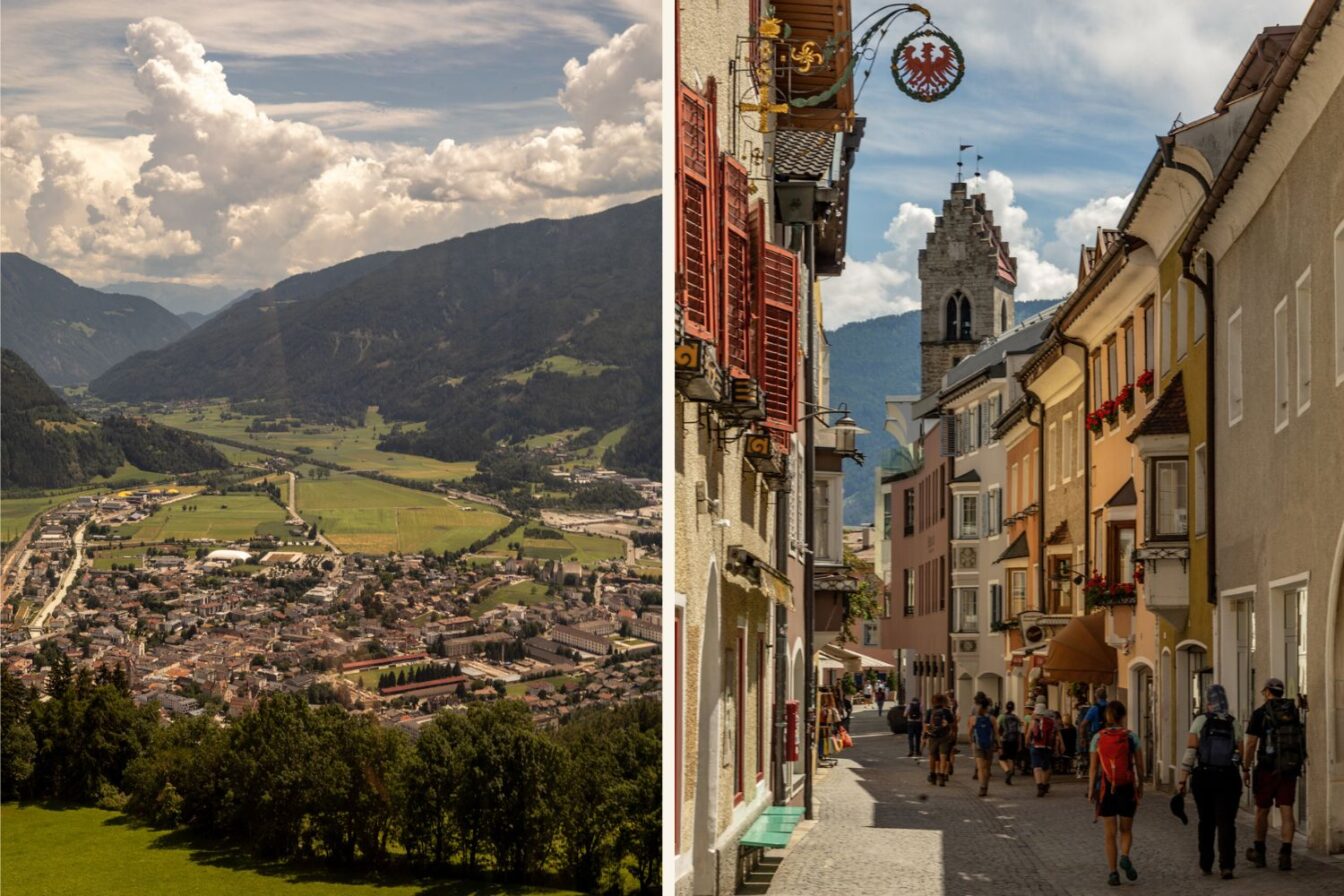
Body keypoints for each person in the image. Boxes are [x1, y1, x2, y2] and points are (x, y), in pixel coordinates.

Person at [1177, 683, 1243, 879]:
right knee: (1227, 823)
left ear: (1209, 702)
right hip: (1228, 778)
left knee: (1206, 821)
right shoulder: (1234, 722)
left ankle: (1206, 863)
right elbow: (1240, 754)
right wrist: (1243, 770)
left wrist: (1182, 779)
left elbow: (1190, 752)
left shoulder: (1200, 721)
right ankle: (1227, 866)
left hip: (1204, 777)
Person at [1242, 677, 1307, 871]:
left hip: (1267, 768)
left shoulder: (1260, 713)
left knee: (1262, 809)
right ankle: (1285, 855)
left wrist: (1245, 768)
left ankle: (1260, 852)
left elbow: (1252, 744)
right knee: (1287, 810)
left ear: (1267, 692)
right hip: (1289, 767)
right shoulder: (1292, 712)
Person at [1088, 700, 1143, 887]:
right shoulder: (1131, 737)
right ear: (1123, 716)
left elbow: (1093, 768)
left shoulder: (1098, 738)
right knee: (1126, 830)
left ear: (1107, 716)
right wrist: (1140, 785)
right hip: (1126, 787)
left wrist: (1090, 791)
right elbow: (1140, 767)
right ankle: (1125, 856)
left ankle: (1113, 874)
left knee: (1109, 834)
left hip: (1107, 788)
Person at [1028, 701, 1064, 797]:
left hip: (1035, 746)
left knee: (1036, 767)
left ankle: (1039, 786)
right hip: (1047, 746)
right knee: (1046, 767)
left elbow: (1028, 735)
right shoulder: (1052, 722)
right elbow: (1057, 732)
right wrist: (1061, 744)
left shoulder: (1033, 721)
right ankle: (1044, 784)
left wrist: (1026, 743)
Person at [924, 693, 956, 786]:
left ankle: (932, 775)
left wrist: (926, 734)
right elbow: (952, 725)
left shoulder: (930, 711)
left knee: (932, 756)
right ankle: (942, 777)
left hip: (933, 737)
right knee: (943, 757)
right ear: (943, 701)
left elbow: (926, 725)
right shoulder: (947, 711)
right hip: (945, 736)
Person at [968, 701, 999, 797]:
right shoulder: (992, 719)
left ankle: (982, 787)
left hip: (978, 745)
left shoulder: (973, 719)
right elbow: (997, 733)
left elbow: (970, 733)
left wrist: (971, 742)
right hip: (989, 746)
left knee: (980, 768)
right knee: (987, 768)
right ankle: (986, 785)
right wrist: (999, 745)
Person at [997, 701, 1022, 785]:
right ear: (1013, 708)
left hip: (1005, 740)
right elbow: (1019, 731)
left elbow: (997, 728)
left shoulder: (1002, 717)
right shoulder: (1016, 718)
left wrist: (998, 741)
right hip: (1014, 740)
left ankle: (1007, 771)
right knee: (1011, 758)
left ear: (1006, 707)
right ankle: (1010, 775)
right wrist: (1019, 744)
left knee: (1001, 759)